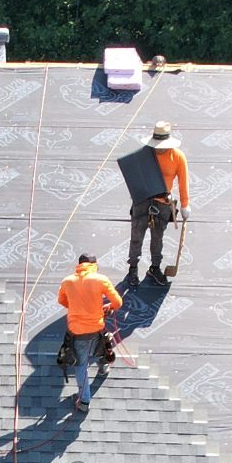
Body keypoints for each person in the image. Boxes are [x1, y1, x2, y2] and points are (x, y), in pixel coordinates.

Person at [123, 121, 191, 285]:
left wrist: (185, 204)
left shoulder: (177, 157)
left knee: (157, 238)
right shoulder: (145, 155)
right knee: (136, 235)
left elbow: (183, 181)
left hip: (162, 202)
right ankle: (133, 267)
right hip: (142, 200)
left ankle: (155, 267)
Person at [55, 254, 126, 403]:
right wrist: (108, 307)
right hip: (96, 327)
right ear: (94, 265)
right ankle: (103, 368)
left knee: (81, 364)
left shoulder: (67, 281)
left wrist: (76, 308)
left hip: (77, 332)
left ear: (79, 265)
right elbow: (118, 302)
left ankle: (84, 400)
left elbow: (61, 300)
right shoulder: (101, 279)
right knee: (101, 347)